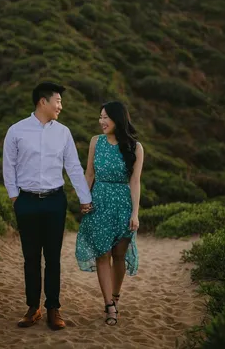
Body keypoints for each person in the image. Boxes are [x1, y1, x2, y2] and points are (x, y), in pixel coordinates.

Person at [3, 82, 92, 330]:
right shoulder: (16, 131)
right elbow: (8, 165)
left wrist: (84, 198)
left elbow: (73, 167)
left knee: (53, 257)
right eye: (58, 101)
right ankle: (33, 307)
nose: (60, 106)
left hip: (55, 200)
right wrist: (14, 198)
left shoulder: (63, 132)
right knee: (30, 257)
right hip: (27, 201)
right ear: (43, 102)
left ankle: (54, 307)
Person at [75, 101, 143, 325]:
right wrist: (84, 200)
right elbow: (89, 174)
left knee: (119, 256)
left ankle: (116, 296)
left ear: (118, 119)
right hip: (99, 203)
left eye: (106, 117)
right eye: (100, 116)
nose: (101, 121)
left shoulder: (135, 147)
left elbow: (135, 182)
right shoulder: (96, 142)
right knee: (102, 254)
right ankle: (108, 305)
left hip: (123, 205)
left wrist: (135, 213)